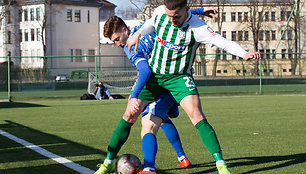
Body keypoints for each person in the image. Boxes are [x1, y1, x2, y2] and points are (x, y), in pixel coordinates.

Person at [126, 0, 261, 173]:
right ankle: (143, 167)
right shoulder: (161, 13)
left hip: (179, 78)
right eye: (169, 16)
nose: (172, 21)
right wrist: (137, 35)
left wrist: (243, 53)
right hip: (155, 76)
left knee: (196, 115)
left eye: (177, 17)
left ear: (187, 10)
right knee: (133, 117)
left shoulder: (198, 28)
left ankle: (220, 163)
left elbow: (223, 42)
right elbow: (150, 25)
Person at [95, 8, 219, 174]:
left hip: (167, 82)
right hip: (165, 81)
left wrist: (133, 96)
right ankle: (182, 157)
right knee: (156, 118)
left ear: (125, 30)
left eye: (117, 39)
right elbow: (171, 14)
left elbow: (145, 71)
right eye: (114, 42)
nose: (118, 44)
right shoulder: (145, 26)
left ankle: (147, 168)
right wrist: (200, 10)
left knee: (148, 120)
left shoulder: (131, 45)